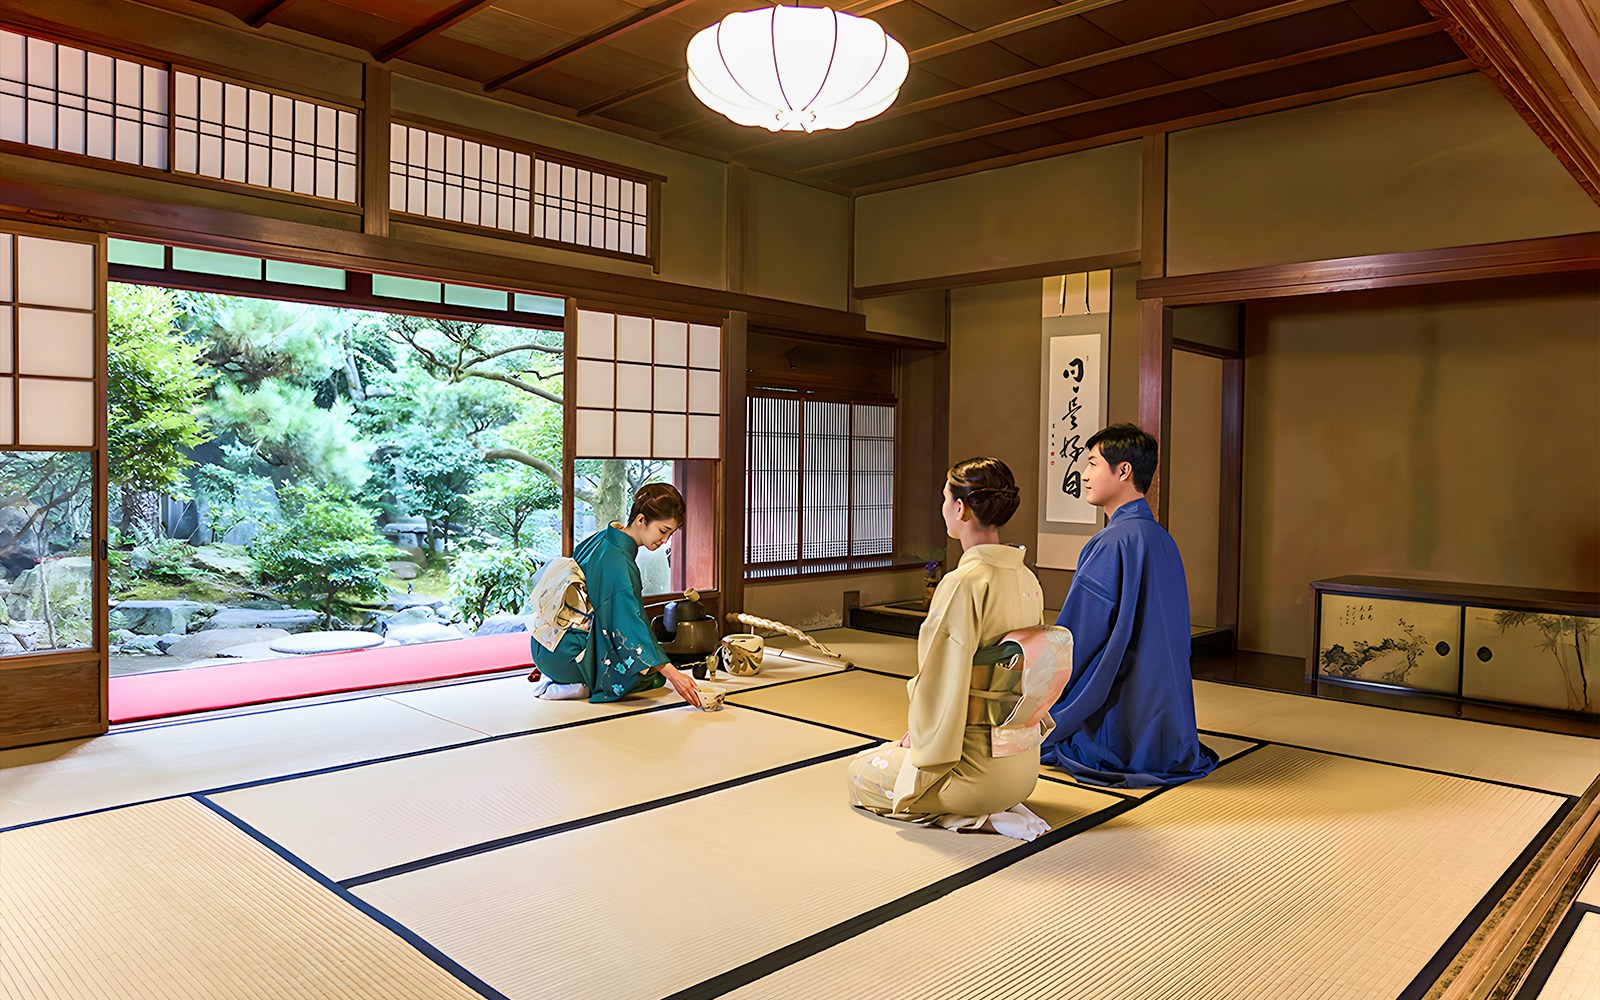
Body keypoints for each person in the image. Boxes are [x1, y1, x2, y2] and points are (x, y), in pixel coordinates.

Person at [847, 457, 1051, 835]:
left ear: (960, 508)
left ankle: (974, 814)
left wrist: (921, 742)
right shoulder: (1027, 578)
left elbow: (940, 682)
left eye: (945, 499)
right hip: (1023, 771)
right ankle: (1000, 808)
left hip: (973, 778)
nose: (943, 508)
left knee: (860, 774)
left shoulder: (964, 582)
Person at [1040, 424, 1217, 787]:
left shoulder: (1112, 542)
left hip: (1122, 716)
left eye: (1092, 464)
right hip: (1166, 719)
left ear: (1123, 471)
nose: (1084, 476)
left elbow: (1077, 636)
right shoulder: (1160, 538)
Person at [529, 483, 701, 708]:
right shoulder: (618, 560)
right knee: (646, 676)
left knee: (645, 665)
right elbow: (627, 622)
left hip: (545, 644)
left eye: (670, 533)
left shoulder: (601, 538)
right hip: (568, 655)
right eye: (663, 531)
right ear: (641, 520)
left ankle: (563, 677)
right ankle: (576, 685)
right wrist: (673, 674)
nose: (665, 541)